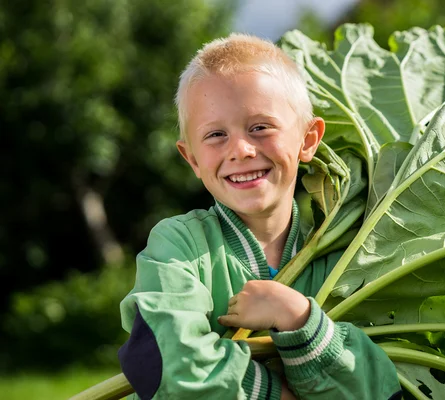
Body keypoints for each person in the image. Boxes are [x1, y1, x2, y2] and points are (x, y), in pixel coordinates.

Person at [117, 33, 401, 400]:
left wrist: (297, 316)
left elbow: (378, 389)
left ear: (308, 140)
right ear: (192, 160)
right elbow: (163, 361)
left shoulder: (346, 261)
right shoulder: (179, 246)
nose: (240, 150)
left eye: (260, 127)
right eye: (216, 134)